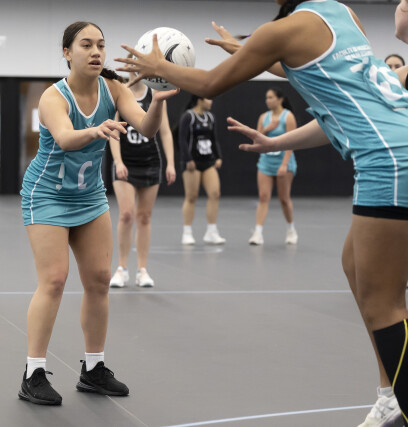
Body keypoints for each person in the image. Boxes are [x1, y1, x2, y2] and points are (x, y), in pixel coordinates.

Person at [117, 1, 408, 426]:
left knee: (383, 304)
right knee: (354, 265)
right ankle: (389, 394)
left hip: (390, 162)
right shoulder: (342, 13)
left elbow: (211, 83)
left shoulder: (281, 32)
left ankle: (400, 401)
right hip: (393, 151)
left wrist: (158, 66)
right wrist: (276, 140)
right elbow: (329, 102)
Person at [18, 21, 176, 405]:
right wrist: (96, 130)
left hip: (88, 196)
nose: (95, 52)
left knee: (100, 280)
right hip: (47, 196)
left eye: (101, 45)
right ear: (67, 53)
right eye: (86, 45)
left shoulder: (115, 89)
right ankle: (32, 373)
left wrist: (156, 101)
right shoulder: (53, 97)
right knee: (54, 280)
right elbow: (65, 138)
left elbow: (147, 128)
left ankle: (93, 369)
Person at [108, 72, 176, 289]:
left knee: (144, 217)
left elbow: (165, 132)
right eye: (132, 68)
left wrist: (171, 163)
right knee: (127, 214)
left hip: (150, 161)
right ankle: (121, 268)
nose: (136, 73)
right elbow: (113, 131)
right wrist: (118, 161)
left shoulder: (155, 95)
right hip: (126, 162)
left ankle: (142, 269)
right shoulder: (120, 94)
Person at [249, 88, 298, 246]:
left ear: (280, 99)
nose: (267, 100)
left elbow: (292, 142)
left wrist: (284, 165)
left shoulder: (288, 117)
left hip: (284, 163)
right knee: (263, 197)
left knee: (284, 199)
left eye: (270, 97)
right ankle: (257, 233)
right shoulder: (263, 117)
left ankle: (291, 230)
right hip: (266, 162)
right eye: (266, 97)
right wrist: (267, 129)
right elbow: (256, 141)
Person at [179, 95, 225, 246]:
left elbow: (214, 138)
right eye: (208, 99)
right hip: (193, 162)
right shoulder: (189, 116)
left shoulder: (210, 117)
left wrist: (218, 156)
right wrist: (188, 159)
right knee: (191, 196)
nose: (211, 101)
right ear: (199, 100)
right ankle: (187, 232)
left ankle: (211, 231)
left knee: (215, 193)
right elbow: (182, 139)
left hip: (208, 161)